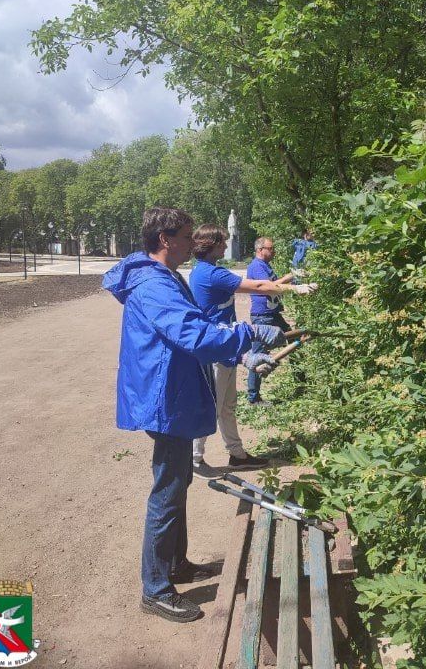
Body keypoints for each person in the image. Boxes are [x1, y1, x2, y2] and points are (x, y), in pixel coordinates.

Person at [102, 208, 285, 624]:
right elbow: (193, 335)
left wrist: (240, 350)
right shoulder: (154, 283)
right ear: (165, 239)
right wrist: (250, 333)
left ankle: (176, 565)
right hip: (164, 397)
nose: (192, 243)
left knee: (179, 479)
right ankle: (156, 588)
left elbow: (196, 325)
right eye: (185, 236)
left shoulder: (165, 278)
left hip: (171, 390)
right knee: (167, 489)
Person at [189, 224, 317, 472]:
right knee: (212, 407)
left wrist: (241, 353)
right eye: (222, 243)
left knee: (227, 406)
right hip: (215, 350)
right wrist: (295, 287)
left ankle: (236, 455)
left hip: (225, 348)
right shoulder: (209, 274)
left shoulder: (208, 271)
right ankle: (193, 459)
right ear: (211, 245)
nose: (226, 246)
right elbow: (258, 287)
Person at [246, 236, 315, 404]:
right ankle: (253, 398)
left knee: (295, 342)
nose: (273, 251)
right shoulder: (256, 266)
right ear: (260, 250)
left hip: (273, 315)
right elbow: (271, 287)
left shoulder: (265, 265)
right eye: (270, 248)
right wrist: (292, 276)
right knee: (258, 355)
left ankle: (302, 384)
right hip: (263, 318)